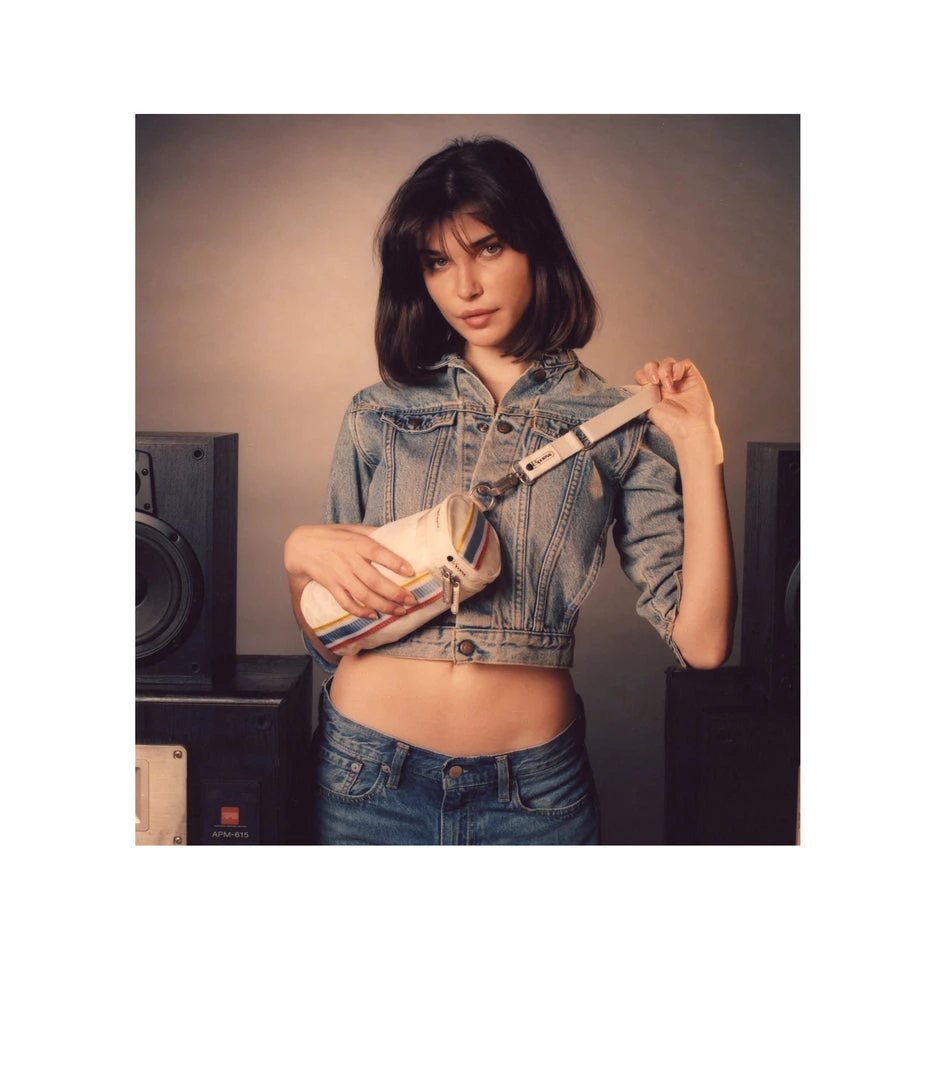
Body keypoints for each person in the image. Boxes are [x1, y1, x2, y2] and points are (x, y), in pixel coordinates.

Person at [284, 136, 736, 845]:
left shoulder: (617, 421)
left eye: (488, 248)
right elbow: (330, 638)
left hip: (532, 795)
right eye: (437, 262)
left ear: (535, 247)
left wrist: (701, 448)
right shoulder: (379, 411)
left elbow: (703, 644)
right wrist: (298, 558)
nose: (464, 287)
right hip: (366, 778)